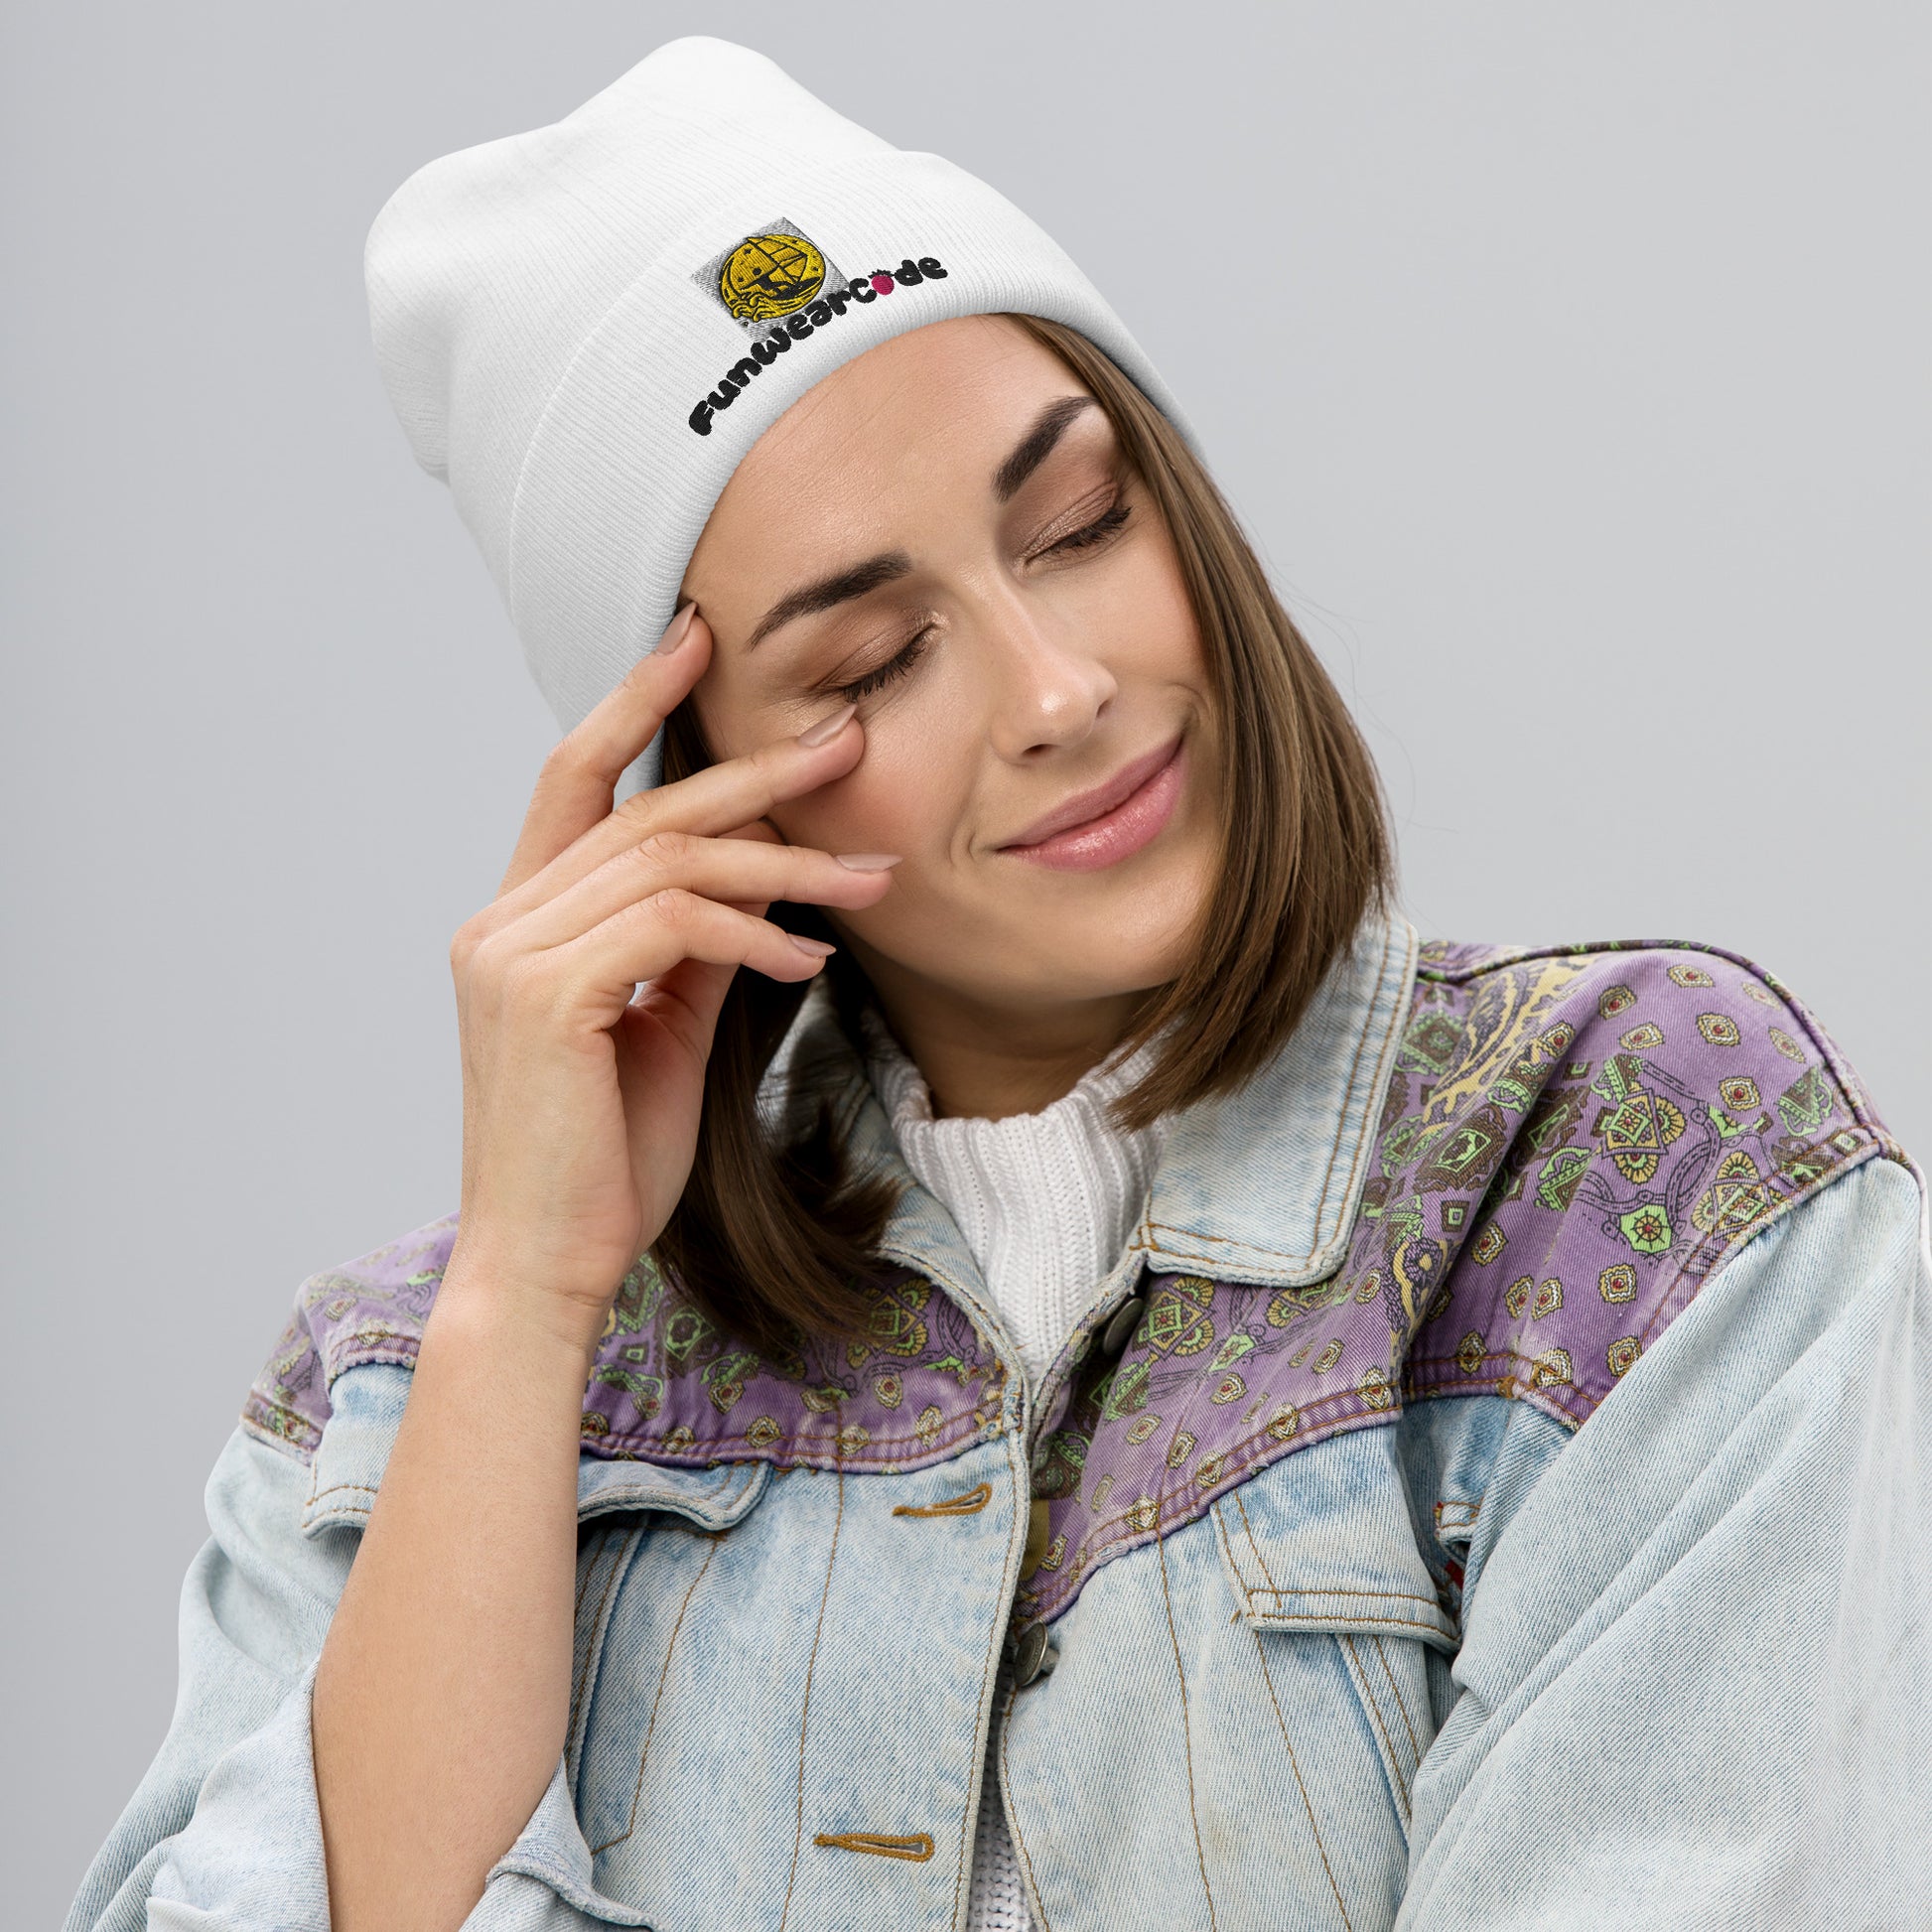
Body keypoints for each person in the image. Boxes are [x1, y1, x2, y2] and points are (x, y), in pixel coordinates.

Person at [65, 34, 1931, 1932]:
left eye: (1081, 525)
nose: (1057, 690)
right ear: (697, 795)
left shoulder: (1627, 1181)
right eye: (871, 661)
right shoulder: (396, 1393)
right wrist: (523, 1310)